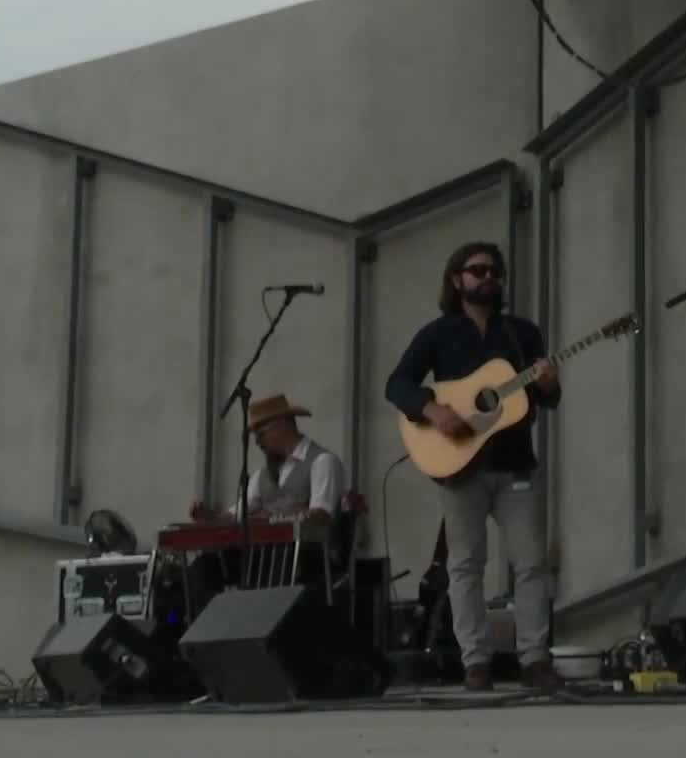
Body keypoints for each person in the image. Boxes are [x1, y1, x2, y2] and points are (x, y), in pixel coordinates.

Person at [385, 241, 562, 692]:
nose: (488, 278)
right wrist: (432, 409)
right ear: (456, 280)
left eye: (495, 272)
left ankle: (535, 659)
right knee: (465, 565)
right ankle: (475, 662)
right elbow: (397, 384)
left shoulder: (522, 334)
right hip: (460, 467)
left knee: (531, 564)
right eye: (478, 270)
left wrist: (549, 384)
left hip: (515, 464)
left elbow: (541, 399)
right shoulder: (437, 334)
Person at [188, 393, 344, 523]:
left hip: (304, 555)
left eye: (260, 434)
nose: (256, 442)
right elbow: (235, 517)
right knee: (208, 560)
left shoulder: (322, 461)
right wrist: (210, 517)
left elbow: (321, 516)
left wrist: (272, 518)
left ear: (282, 425)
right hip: (264, 556)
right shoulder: (262, 476)